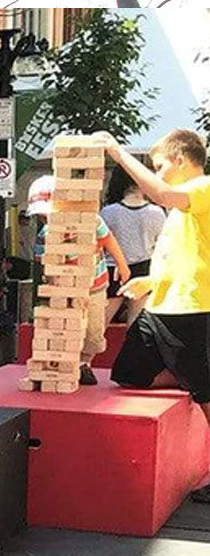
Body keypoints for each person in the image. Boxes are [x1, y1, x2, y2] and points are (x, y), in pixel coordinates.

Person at [92, 129, 210, 502]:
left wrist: (117, 152)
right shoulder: (179, 209)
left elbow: (159, 192)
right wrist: (148, 281)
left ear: (180, 160)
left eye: (159, 166)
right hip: (161, 305)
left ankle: (196, 381)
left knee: (207, 397)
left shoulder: (203, 187)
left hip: (190, 309)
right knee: (128, 372)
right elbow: (181, 256)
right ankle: (189, 377)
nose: (156, 174)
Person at [28, 175, 131, 385]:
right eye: (43, 216)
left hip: (94, 285)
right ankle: (60, 367)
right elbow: (44, 264)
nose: (47, 220)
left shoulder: (90, 221)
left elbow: (108, 240)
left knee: (93, 332)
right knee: (64, 330)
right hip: (64, 291)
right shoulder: (45, 234)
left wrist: (122, 266)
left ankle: (85, 363)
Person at [100, 166, 167, 328]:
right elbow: (162, 245)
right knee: (136, 326)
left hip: (113, 268)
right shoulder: (157, 212)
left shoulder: (108, 212)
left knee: (99, 324)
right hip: (144, 268)